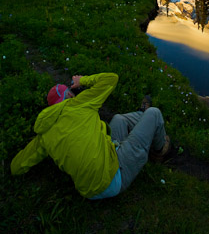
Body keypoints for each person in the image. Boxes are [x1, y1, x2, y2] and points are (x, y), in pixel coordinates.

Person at [11, 72, 171, 199]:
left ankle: (140, 116)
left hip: (89, 190)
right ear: (68, 97)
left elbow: (17, 165)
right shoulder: (78, 103)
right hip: (112, 177)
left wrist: (13, 170)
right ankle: (159, 151)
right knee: (154, 113)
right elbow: (111, 78)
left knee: (118, 119)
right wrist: (82, 80)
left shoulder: (44, 133)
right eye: (71, 91)